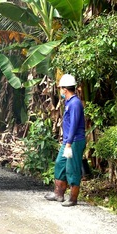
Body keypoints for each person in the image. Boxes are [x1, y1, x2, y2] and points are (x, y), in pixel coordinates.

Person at [44, 74, 86, 206]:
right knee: (60, 163)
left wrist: (68, 143)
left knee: (72, 168)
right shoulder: (68, 102)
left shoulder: (75, 103)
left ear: (65, 90)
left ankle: (73, 199)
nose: (60, 91)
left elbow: (74, 124)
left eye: (61, 88)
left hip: (74, 141)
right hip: (68, 141)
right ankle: (58, 194)